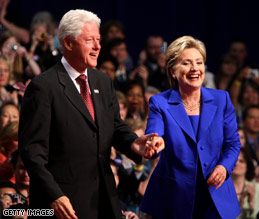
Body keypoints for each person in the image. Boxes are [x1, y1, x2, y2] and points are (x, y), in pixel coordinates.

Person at [18, 9, 164, 219]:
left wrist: (133, 143)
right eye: (90, 40)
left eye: (98, 40)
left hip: (104, 201)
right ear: (68, 43)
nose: (98, 47)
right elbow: (32, 151)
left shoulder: (102, 81)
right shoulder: (44, 87)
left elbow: (114, 126)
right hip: (63, 205)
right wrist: (54, 195)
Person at [140, 36, 241, 219]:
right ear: (173, 71)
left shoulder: (222, 99)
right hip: (174, 198)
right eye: (186, 63)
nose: (195, 69)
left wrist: (224, 167)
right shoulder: (160, 102)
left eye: (199, 62)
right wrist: (154, 142)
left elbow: (233, 144)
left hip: (215, 196)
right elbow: (154, 135)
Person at [232, 148, 259, 219]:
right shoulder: (220, 190)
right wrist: (240, 206)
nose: (237, 163)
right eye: (234, 161)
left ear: (247, 165)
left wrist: (251, 203)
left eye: (241, 161)